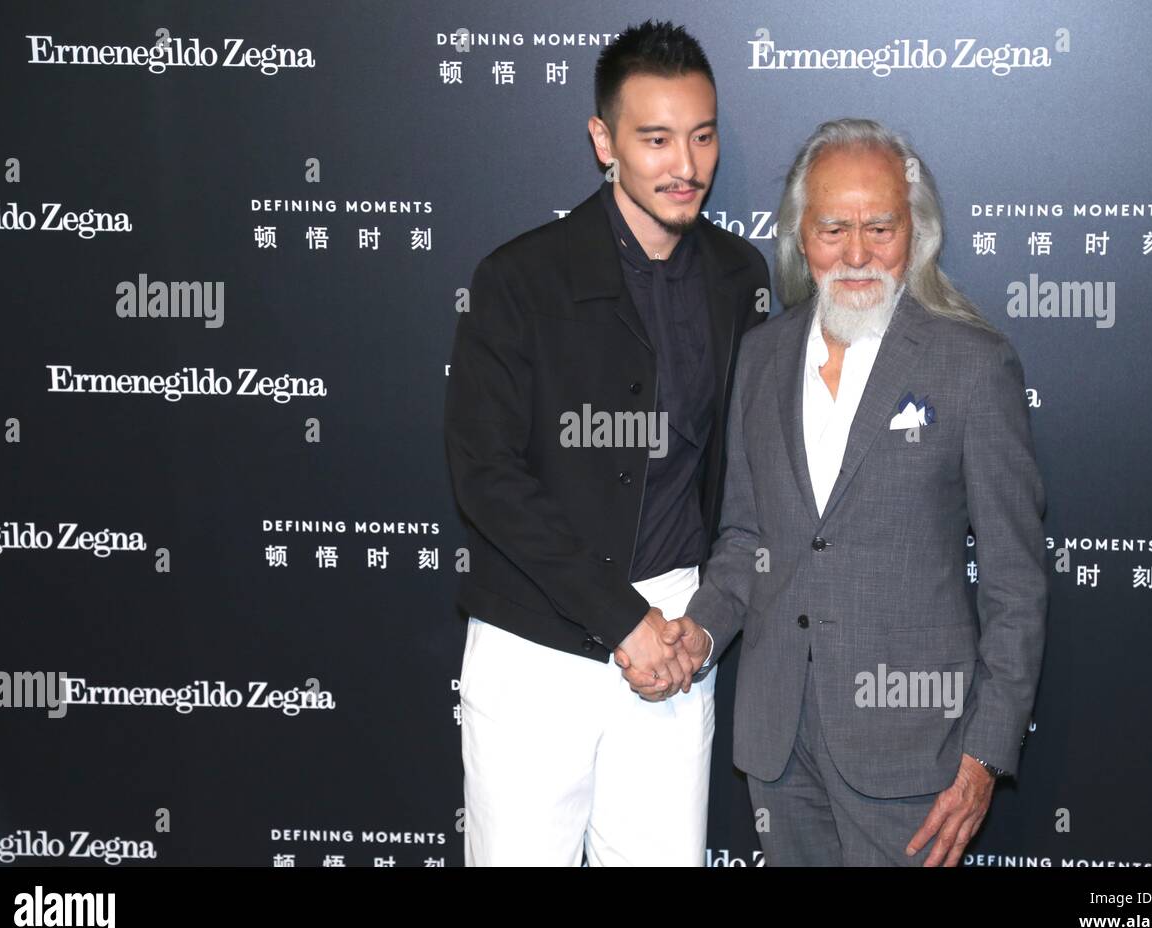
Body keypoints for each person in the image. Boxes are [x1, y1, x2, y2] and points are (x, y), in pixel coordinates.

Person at [640, 118, 1048, 866]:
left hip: (914, 753)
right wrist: (696, 635)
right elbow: (744, 542)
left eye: (880, 227)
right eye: (833, 229)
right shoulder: (761, 358)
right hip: (778, 741)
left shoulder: (973, 367)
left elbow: (1016, 585)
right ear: (800, 234)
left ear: (915, 233)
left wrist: (986, 755)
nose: (857, 254)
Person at [444, 19, 769, 866]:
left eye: (702, 136)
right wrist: (621, 620)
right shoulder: (518, 280)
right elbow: (486, 477)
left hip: (673, 642)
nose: (685, 165)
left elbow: (740, 482)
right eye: (655, 139)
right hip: (536, 645)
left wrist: (698, 627)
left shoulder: (742, 278)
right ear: (604, 141)